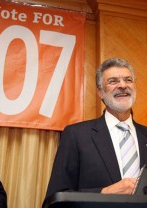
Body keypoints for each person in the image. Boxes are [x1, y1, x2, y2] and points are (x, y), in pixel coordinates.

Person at [43, 58, 147, 203]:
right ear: (100, 92)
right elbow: (55, 198)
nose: (123, 85)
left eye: (128, 80)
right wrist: (104, 192)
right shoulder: (76, 135)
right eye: (113, 81)